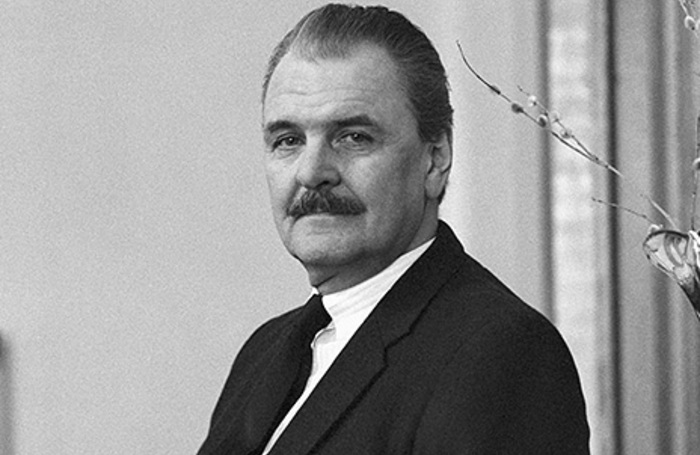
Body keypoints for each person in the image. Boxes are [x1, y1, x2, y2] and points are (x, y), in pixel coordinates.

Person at [198, 4, 590, 454]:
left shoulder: (502, 352)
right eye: (288, 140)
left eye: (353, 137)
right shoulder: (264, 352)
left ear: (435, 159)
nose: (312, 171)